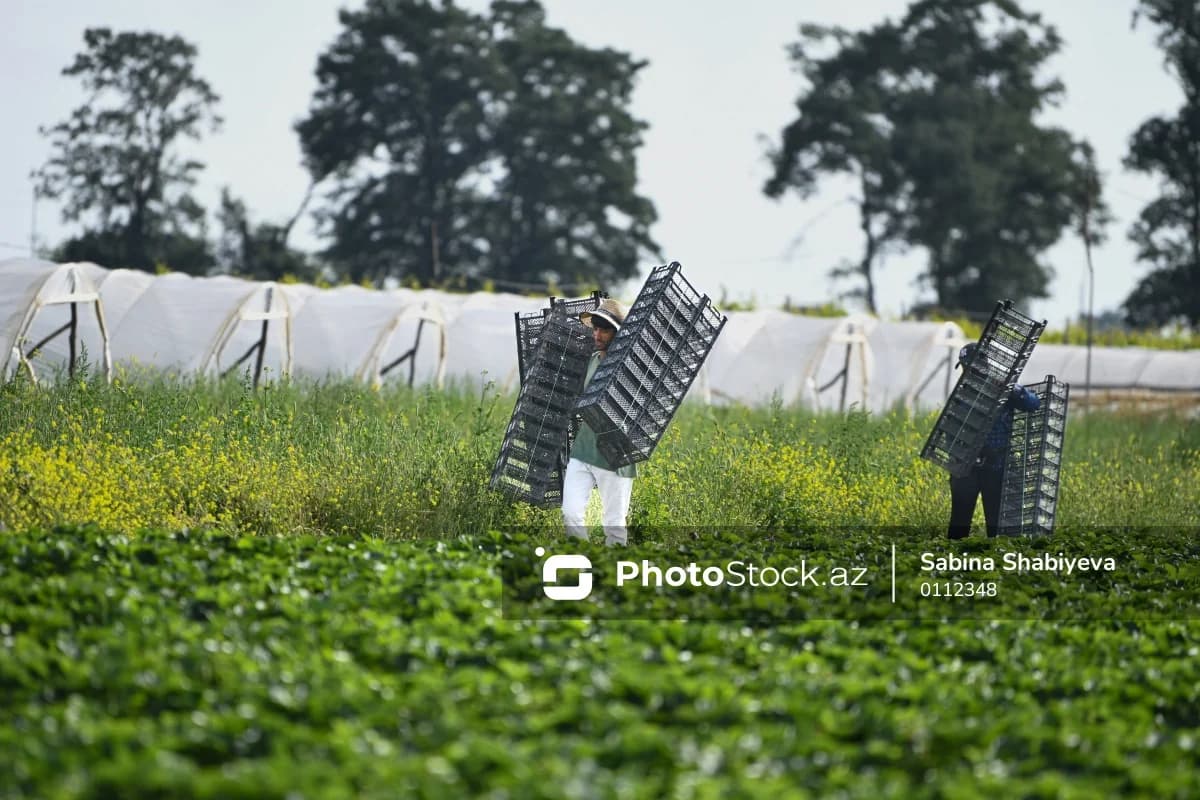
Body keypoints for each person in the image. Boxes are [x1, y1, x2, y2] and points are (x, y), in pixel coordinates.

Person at [562, 298, 637, 546]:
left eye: (604, 329)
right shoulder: (593, 360)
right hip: (583, 450)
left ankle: (611, 578)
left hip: (614, 453)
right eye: (595, 328)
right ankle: (582, 565)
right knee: (571, 513)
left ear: (617, 333)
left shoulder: (629, 365)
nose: (597, 334)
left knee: (614, 524)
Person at [948, 342, 1041, 539]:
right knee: (959, 523)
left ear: (982, 367)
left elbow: (1033, 404)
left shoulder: (1003, 389)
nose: (966, 372)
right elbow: (951, 434)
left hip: (996, 466)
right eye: (965, 367)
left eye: (969, 367)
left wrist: (1014, 390)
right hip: (966, 467)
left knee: (997, 525)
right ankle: (953, 560)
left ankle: (996, 561)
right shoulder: (960, 395)